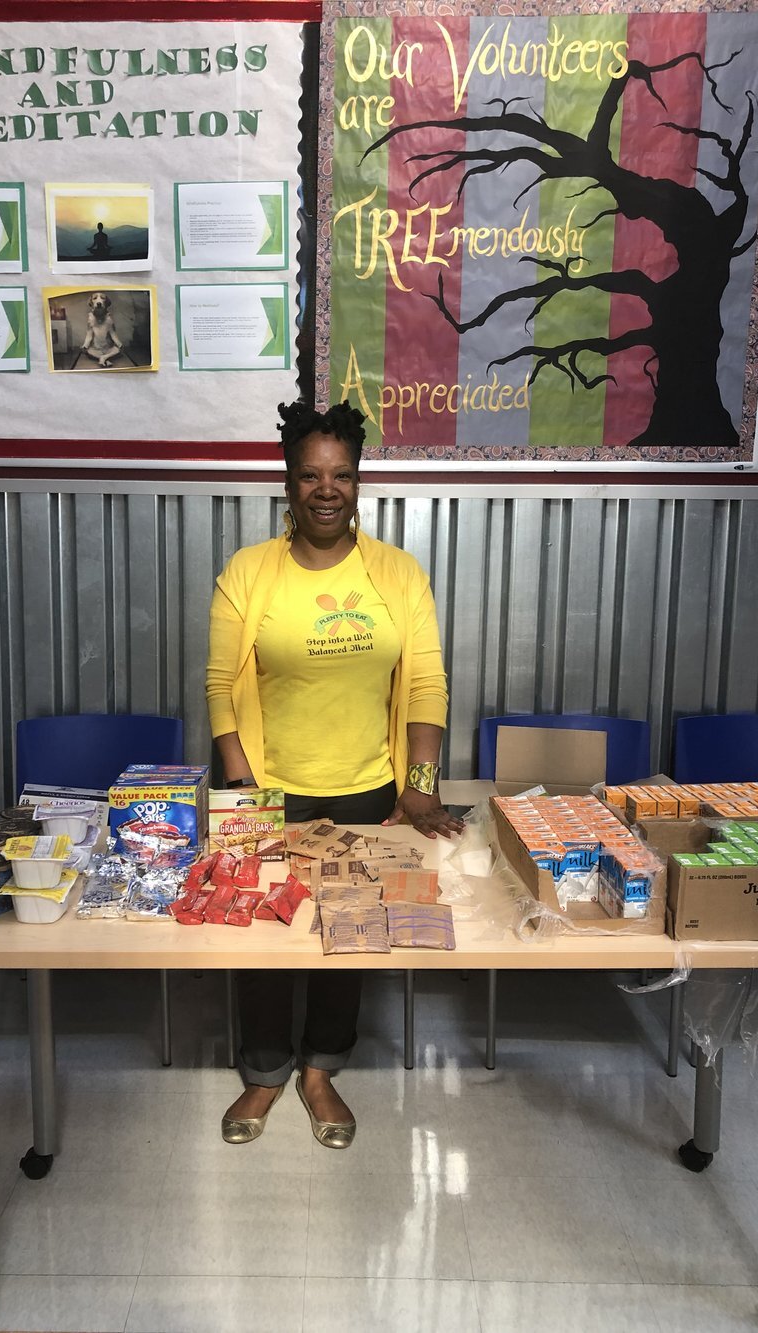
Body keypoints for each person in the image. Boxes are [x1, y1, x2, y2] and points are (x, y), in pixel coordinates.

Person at [206, 398, 461, 1150]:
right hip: (268, 788)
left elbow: (426, 684)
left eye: (341, 474)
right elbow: (221, 688)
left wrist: (419, 784)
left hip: (366, 790)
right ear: (288, 483)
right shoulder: (248, 572)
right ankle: (264, 1069)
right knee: (262, 934)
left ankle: (321, 1069)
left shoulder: (398, 574)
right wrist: (244, 792)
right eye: (311, 475)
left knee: (348, 936)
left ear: (358, 482)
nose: (327, 490)